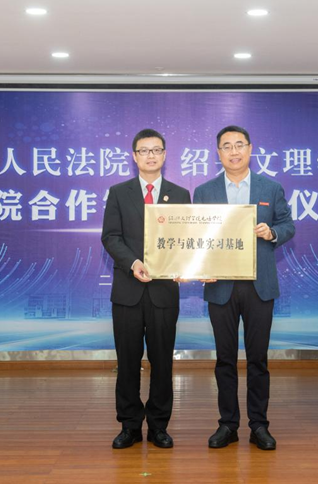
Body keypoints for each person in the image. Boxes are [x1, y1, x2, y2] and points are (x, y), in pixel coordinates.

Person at [193, 125, 295, 451]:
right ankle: (228, 424)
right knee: (224, 359)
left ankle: (259, 425)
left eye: (239, 145)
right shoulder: (205, 192)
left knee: (258, 359)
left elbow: (288, 225)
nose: (234, 151)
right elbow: (196, 238)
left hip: (258, 286)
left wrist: (271, 232)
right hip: (220, 285)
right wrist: (199, 266)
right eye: (227, 146)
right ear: (218, 153)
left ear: (250, 149)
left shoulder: (271, 188)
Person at [101, 128, 191, 449]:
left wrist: (186, 265)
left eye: (156, 150)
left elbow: (185, 240)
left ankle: (158, 426)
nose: (150, 155)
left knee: (163, 362)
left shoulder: (180, 194)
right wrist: (133, 262)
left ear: (165, 155)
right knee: (127, 362)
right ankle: (129, 426)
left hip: (163, 293)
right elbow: (111, 237)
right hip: (127, 291)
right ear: (134, 156)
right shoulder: (118, 192)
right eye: (144, 150)